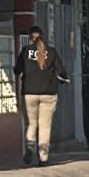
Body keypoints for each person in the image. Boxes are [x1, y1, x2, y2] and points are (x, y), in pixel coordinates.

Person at [16, 25, 68, 166]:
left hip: (29, 92)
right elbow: (61, 72)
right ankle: (43, 156)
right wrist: (63, 79)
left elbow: (17, 70)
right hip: (48, 93)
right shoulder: (51, 52)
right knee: (45, 126)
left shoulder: (25, 51)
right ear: (43, 36)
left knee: (31, 123)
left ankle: (30, 146)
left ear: (30, 37)